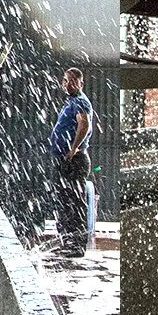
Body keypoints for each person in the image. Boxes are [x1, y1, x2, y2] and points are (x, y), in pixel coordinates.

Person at [49, 68, 95, 255]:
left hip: (74, 160)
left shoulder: (80, 102)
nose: (68, 84)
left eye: (73, 81)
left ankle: (75, 246)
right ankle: (67, 243)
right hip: (66, 159)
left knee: (74, 203)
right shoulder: (72, 102)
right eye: (66, 80)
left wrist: (73, 148)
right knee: (65, 201)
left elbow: (84, 125)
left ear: (81, 84)